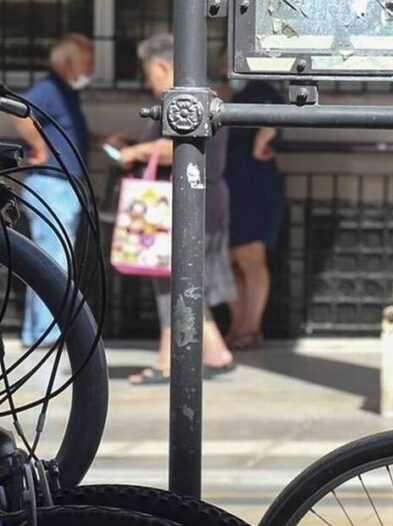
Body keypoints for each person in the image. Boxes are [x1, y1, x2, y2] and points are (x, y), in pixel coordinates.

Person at [118, 33, 237, 385]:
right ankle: (216, 353)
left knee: (173, 280)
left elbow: (181, 148)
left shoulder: (184, 101)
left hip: (187, 204)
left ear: (162, 66)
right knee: (188, 279)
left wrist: (135, 152)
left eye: (148, 74)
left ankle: (168, 361)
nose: (148, 82)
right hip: (203, 199)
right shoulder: (207, 96)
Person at [12, 34, 123, 348]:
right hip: (52, 184)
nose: (91, 69)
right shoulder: (50, 89)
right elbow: (21, 114)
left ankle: (42, 331)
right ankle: (47, 334)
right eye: (87, 62)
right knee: (53, 264)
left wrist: (99, 140)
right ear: (67, 61)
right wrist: (38, 147)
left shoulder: (66, 93)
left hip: (62, 185)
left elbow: (66, 132)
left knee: (52, 261)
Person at [222, 79, 286, 350]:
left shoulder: (260, 90)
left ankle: (250, 328)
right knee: (230, 259)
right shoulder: (223, 93)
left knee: (250, 256)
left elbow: (275, 119)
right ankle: (238, 326)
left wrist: (265, 137)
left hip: (253, 184)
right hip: (227, 184)